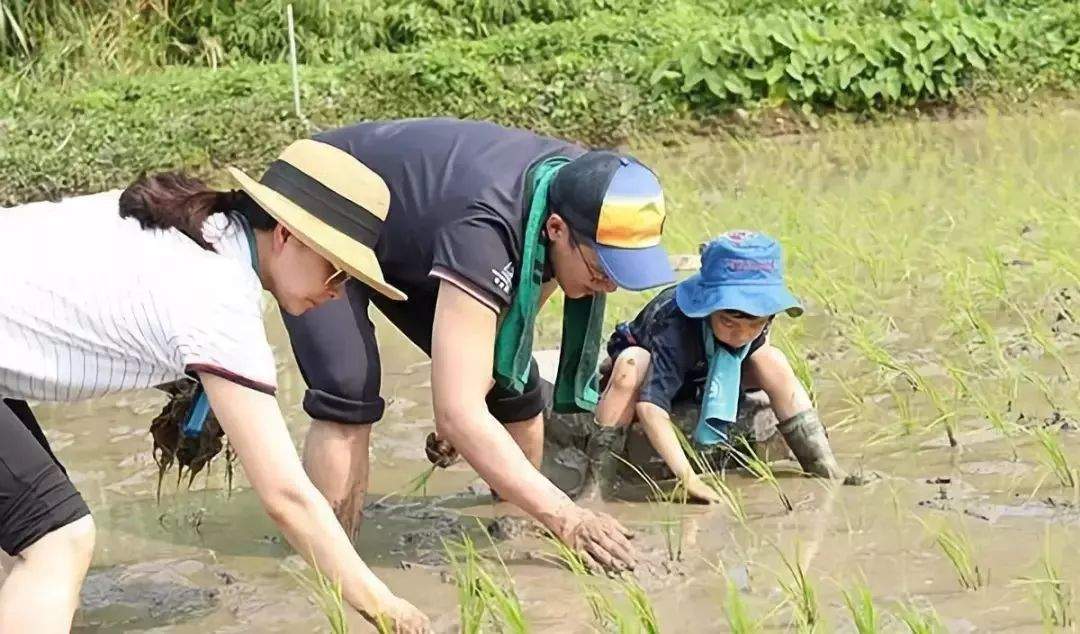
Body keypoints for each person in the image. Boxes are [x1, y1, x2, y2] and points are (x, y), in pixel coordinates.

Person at [0, 139, 429, 633]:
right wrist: (387, 608)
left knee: (21, 543)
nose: (337, 291)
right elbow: (287, 497)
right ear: (286, 236)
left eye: (350, 279)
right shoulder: (219, 295)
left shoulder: (202, 230)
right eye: (336, 269)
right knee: (57, 540)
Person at [280, 118, 676, 570]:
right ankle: (330, 567)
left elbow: (510, 332)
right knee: (348, 387)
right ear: (556, 230)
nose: (607, 286)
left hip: (415, 230)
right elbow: (459, 410)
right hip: (324, 200)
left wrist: (469, 408)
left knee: (515, 387)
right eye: (602, 269)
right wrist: (568, 516)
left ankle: (515, 535)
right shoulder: (487, 229)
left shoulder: (578, 187)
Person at [581, 231, 846, 503]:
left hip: (709, 372)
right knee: (631, 365)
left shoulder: (758, 325)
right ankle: (595, 486)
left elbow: (763, 357)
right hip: (658, 369)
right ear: (707, 308)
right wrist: (688, 478)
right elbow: (650, 407)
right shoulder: (675, 326)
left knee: (773, 360)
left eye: (755, 324)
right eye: (729, 323)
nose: (741, 335)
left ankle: (823, 466)